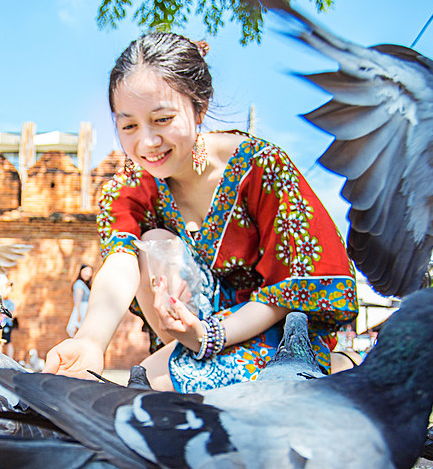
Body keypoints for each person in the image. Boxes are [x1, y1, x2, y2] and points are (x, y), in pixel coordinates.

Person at [43, 31, 358, 392]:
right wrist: (90, 341)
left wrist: (212, 334)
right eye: (128, 125)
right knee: (153, 243)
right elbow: (120, 262)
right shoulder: (128, 185)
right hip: (189, 332)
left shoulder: (262, 167)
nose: (146, 143)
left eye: (162, 119)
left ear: (200, 107)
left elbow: (298, 288)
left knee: (145, 393)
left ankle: (333, 368)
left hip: (272, 328)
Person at [66, 264, 93, 337]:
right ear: (81, 271)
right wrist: (78, 313)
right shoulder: (79, 284)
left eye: (90, 271)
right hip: (82, 309)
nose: (88, 273)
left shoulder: (86, 285)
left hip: (85, 309)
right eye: (86, 271)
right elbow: (78, 300)